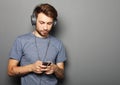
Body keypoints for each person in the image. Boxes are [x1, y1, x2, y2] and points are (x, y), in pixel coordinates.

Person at [8, 3, 67, 85]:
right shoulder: (20, 40)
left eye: (49, 23)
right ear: (34, 20)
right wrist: (31, 68)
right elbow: (10, 71)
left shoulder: (58, 44)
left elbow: (61, 75)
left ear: (54, 23)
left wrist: (55, 69)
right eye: (42, 22)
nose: (45, 28)